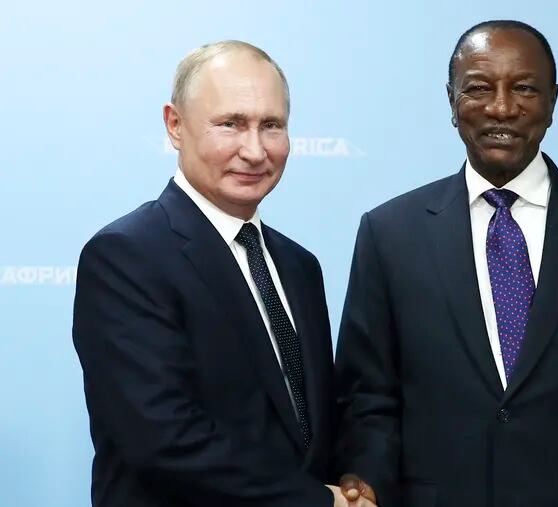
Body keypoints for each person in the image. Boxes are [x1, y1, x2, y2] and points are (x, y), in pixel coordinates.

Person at [334, 21, 558, 507]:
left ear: (552, 101)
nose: (501, 108)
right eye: (479, 88)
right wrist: (365, 481)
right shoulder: (389, 233)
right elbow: (367, 399)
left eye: (524, 88)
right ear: (451, 100)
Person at [73, 41, 362, 507]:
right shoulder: (126, 256)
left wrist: (358, 481)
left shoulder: (299, 266)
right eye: (231, 124)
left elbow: (314, 427)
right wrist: (318, 502)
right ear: (175, 125)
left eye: (271, 125)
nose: (254, 150)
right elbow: (163, 440)